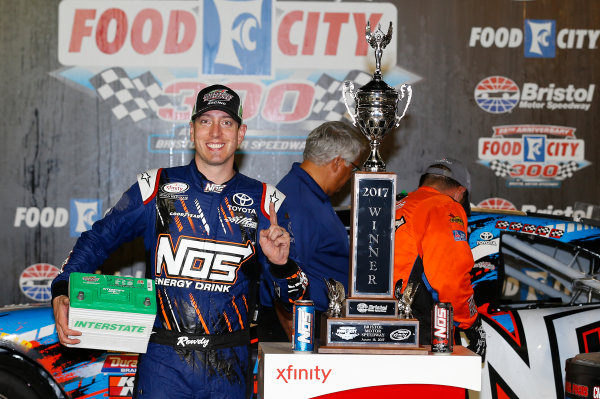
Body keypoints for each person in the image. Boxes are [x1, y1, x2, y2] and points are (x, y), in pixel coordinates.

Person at [51, 84, 307, 399]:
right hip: (164, 366)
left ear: (241, 135)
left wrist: (281, 266)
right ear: (191, 130)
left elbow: (292, 298)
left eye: (226, 122)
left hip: (229, 370)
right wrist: (63, 290)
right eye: (205, 121)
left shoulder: (266, 202)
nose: (216, 131)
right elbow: (97, 240)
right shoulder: (155, 187)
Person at [258, 121, 366, 341]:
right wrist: (298, 344)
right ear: (338, 163)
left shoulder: (311, 196)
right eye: (354, 167)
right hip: (303, 327)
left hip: (315, 322)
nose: (352, 175)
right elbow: (280, 276)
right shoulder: (298, 203)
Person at [393, 157, 486, 358]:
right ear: (460, 192)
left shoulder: (397, 205)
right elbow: (449, 276)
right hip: (421, 327)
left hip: (380, 322)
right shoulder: (444, 206)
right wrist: (470, 322)